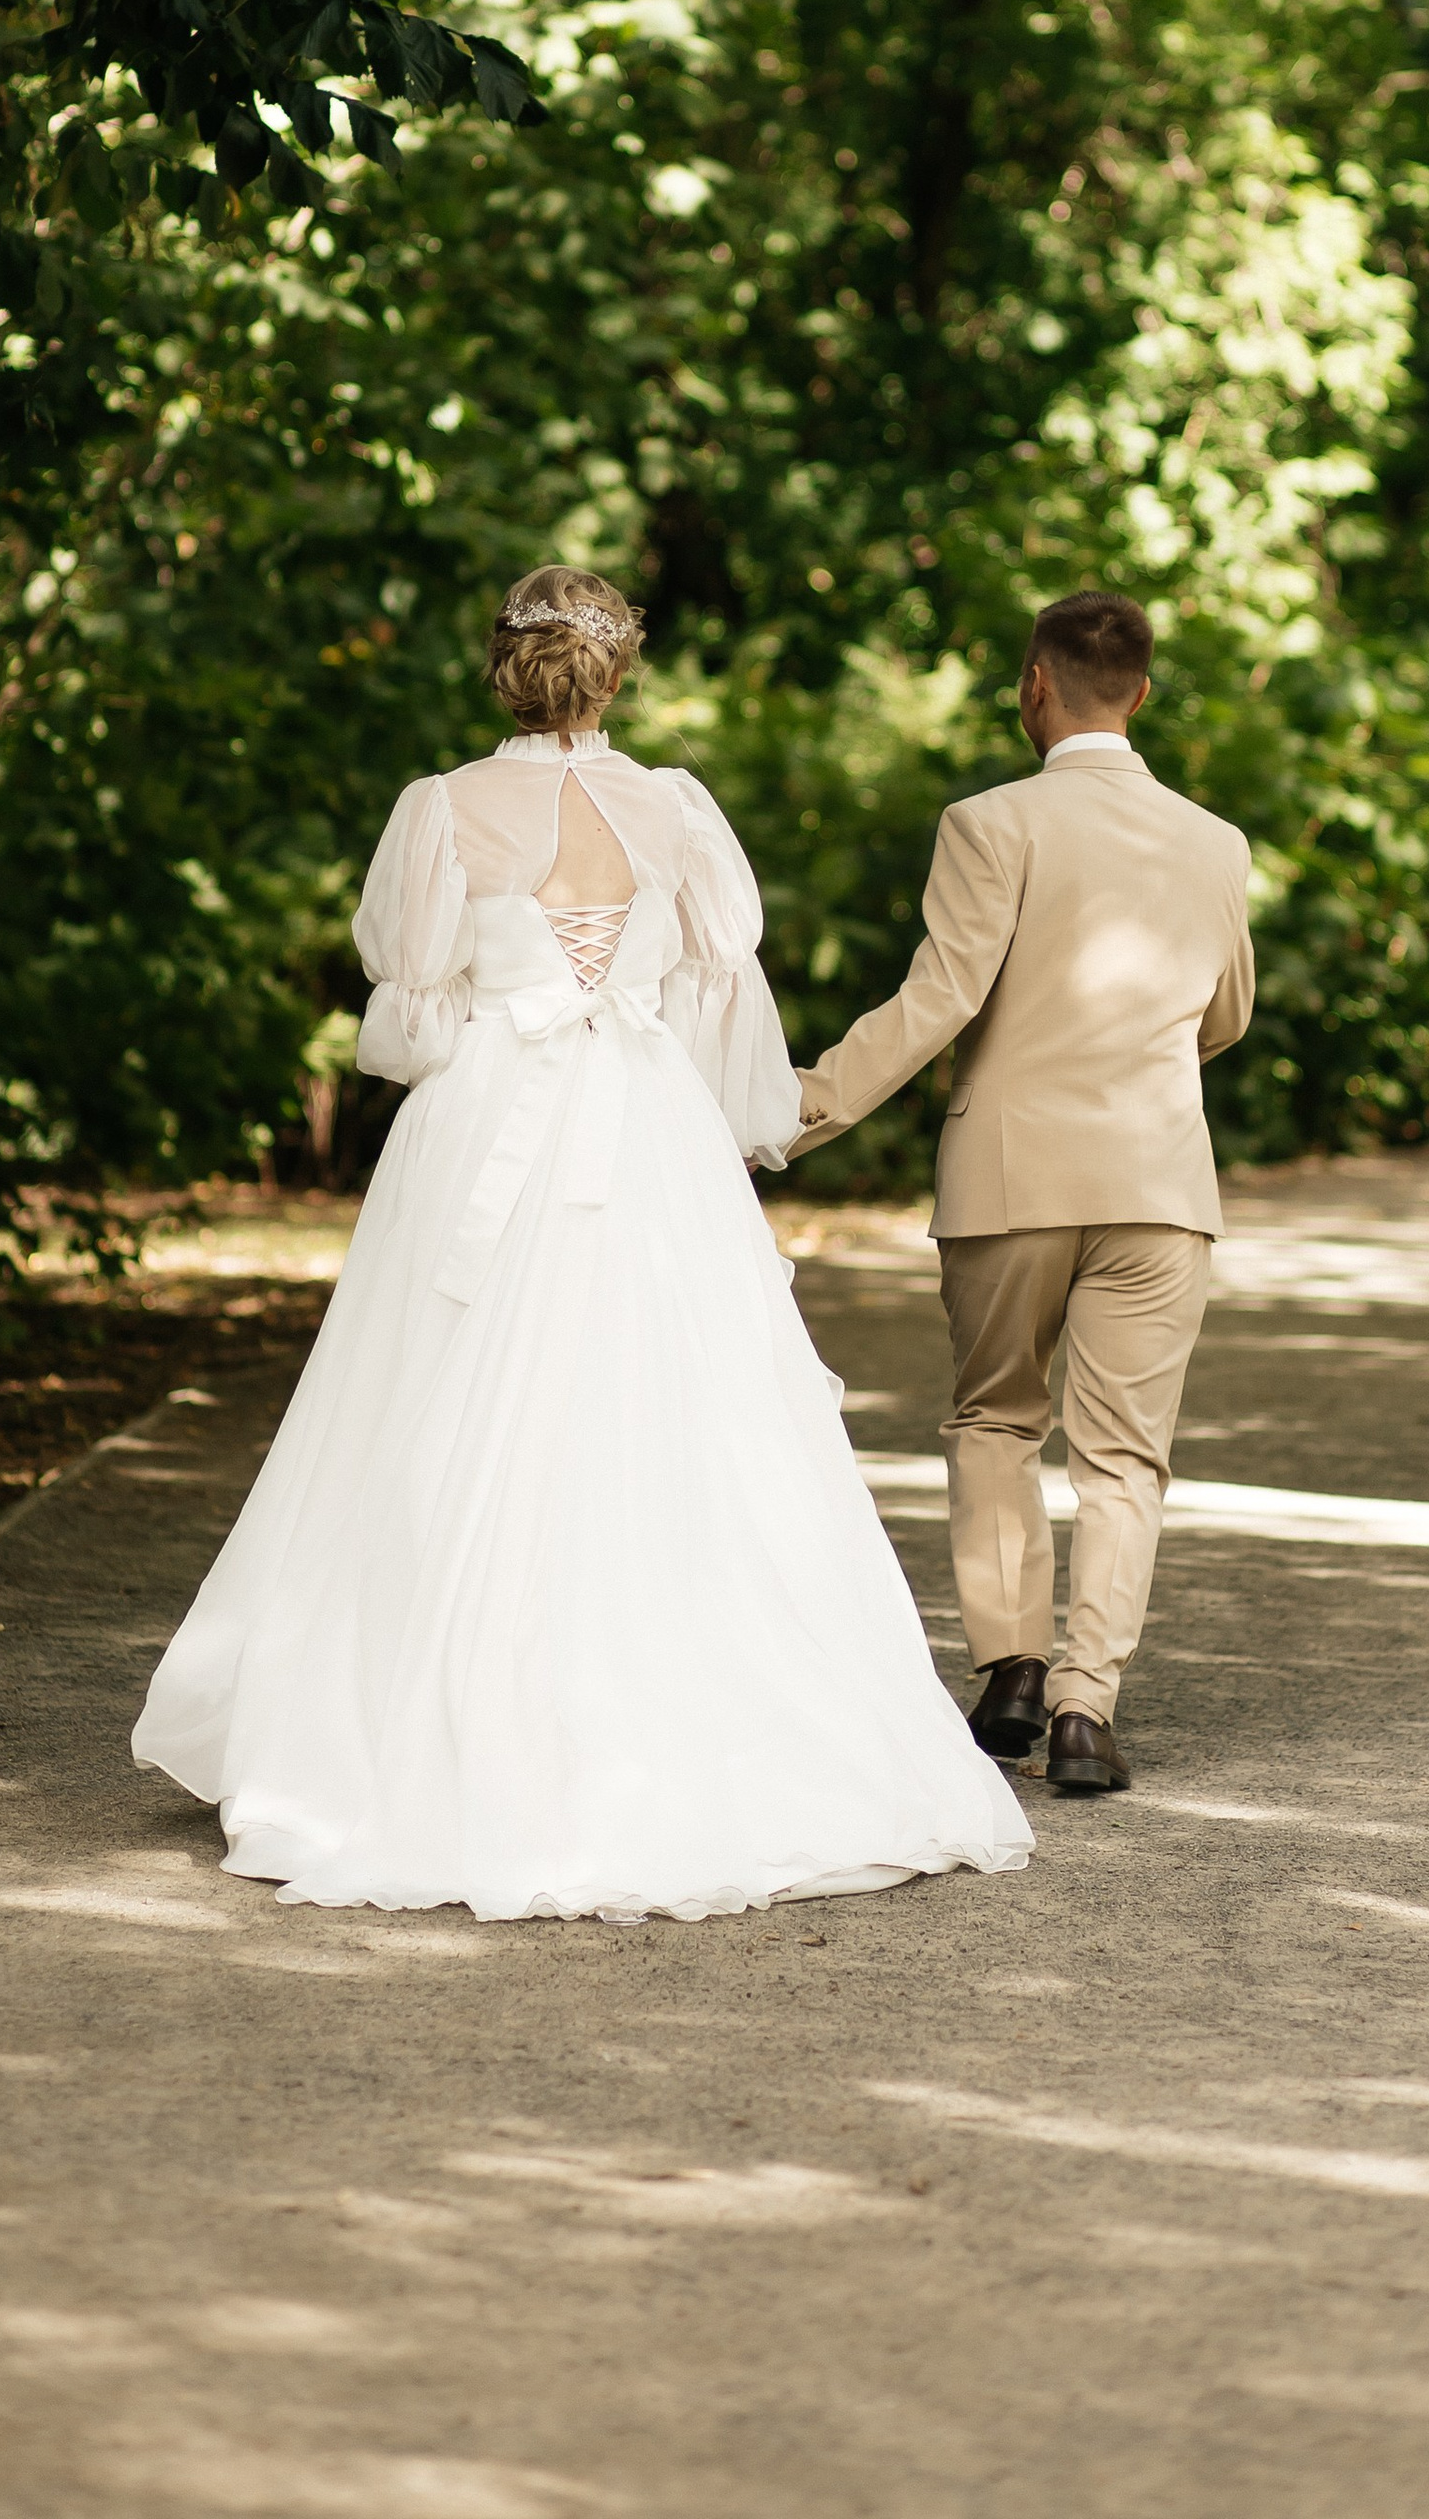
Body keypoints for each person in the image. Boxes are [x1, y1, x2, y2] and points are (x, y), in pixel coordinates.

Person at [134, 564, 1030, 1922]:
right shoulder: (677, 810)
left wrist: (471, 1029)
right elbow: (722, 989)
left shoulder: (440, 810)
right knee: (669, 1410)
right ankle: (693, 1728)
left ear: (503, 668)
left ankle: (418, 1736)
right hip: (646, 1121)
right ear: (618, 674)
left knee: (430, 1403)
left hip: (490, 1122)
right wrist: (726, 1124)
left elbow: (411, 997)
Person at [789, 590, 1254, 1798]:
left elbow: (937, 1000)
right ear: (1139, 694)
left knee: (997, 1418)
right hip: (1159, 1182)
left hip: (1011, 1175)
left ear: (1033, 686)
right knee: (1124, 1460)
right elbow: (1226, 1015)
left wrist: (801, 1109)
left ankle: (1008, 1671)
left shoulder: (990, 822)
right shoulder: (1215, 842)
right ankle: (1087, 1711)